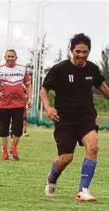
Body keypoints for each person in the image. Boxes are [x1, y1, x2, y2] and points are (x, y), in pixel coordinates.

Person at [40, 33, 109, 201]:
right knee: (66, 158)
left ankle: (83, 190)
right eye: (78, 51)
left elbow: (105, 90)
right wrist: (48, 108)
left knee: (92, 148)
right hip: (64, 120)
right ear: (71, 50)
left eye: (85, 52)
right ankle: (52, 177)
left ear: (88, 52)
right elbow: (44, 90)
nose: (81, 55)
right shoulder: (60, 69)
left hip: (86, 117)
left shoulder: (92, 69)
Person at [0, 49, 32, 160]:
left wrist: (30, 99)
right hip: (3, 104)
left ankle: (14, 148)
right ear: (5, 57)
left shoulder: (23, 70)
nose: (10, 58)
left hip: (18, 104)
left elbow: (28, 85)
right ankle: (4, 150)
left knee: (17, 129)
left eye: (12, 56)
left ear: (16, 58)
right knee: (3, 129)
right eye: (8, 56)